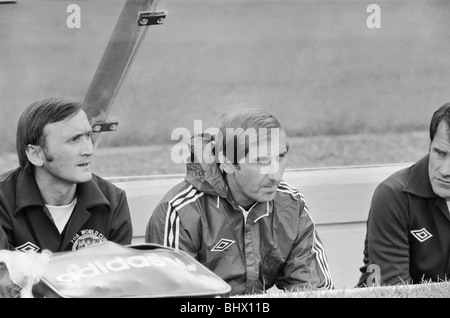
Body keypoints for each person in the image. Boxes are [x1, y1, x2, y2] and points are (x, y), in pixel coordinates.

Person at [146, 108, 333, 295]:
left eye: (280, 157)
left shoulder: (291, 205)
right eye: (261, 161)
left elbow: (314, 291)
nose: (276, 175)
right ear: (227, 163)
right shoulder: (179, 213)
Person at [0, 98, 133, 252]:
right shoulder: (3, 202)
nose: (89, 150)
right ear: (36, 154)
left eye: (88, 136)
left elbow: (121, 272)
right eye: (74, 140)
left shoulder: (113, 201)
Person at [358, 102, 450, 287]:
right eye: (440, 153)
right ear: (429, 146)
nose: (445, 170)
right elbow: (392, 290)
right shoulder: (392, 196)